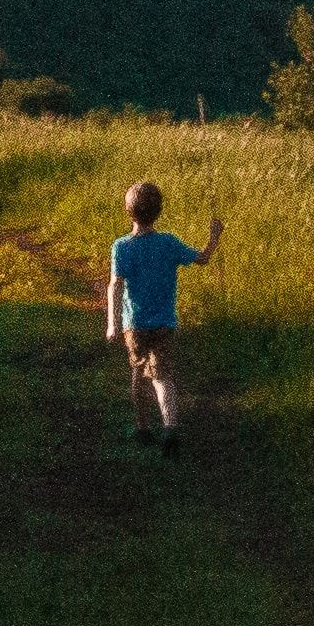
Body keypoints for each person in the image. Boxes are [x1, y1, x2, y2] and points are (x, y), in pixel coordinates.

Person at [105, 180, 222, 455]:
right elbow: (202, 259)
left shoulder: (121, 247)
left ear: (128, 211)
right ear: (159, 211)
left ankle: (142, 427)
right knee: (162, 376)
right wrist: (214, 237)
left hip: (134, 324)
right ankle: (170, 427)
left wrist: (113, 323)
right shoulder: (168, 243)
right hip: (165, 323)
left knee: (138, 373)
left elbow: (115, 286)